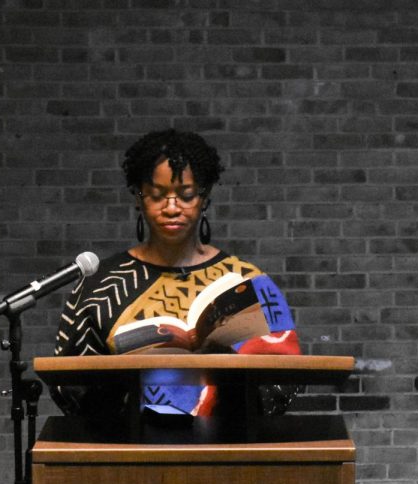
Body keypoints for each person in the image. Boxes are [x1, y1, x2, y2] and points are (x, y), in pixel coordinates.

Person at [51, 129, 300, 419]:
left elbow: (287, 381)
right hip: (128, 452)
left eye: (186, 195)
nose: (171, 207)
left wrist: (226, 368)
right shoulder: (98, 286)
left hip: (231, 450)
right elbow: (66, 386)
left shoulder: (248, 281)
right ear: (138, 198)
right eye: (157, 195)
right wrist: (132, 383)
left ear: (204, 197)